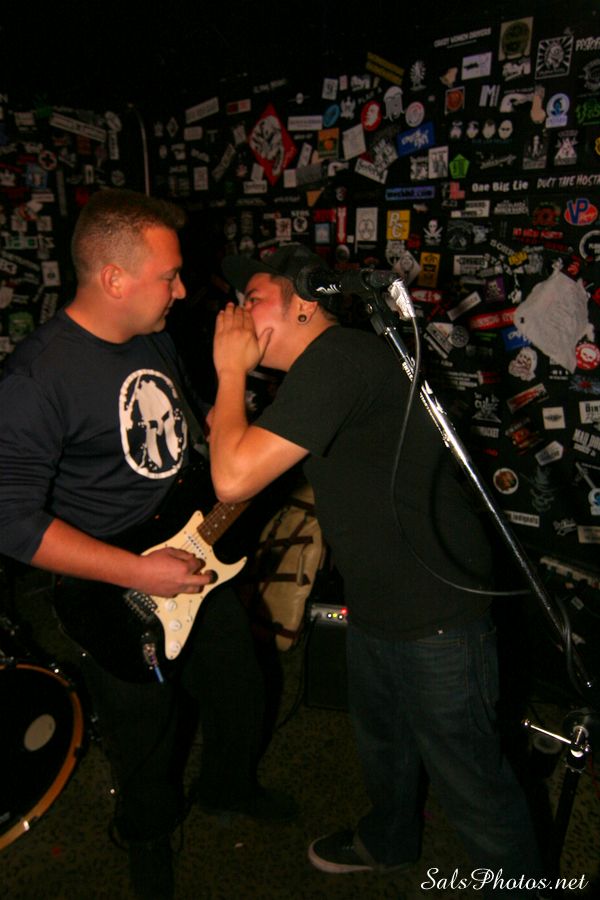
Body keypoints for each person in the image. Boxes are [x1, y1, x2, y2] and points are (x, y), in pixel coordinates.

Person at [209, 243, 544, 895]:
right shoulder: (325, 367)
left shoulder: (338, 357)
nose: (239, 313)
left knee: (473, 785)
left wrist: (228, 373)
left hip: (436, 613)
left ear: (305, 304)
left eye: (253, 298)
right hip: (380, 599)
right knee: (385, 751)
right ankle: (389, 841)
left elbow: (233, 477)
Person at [0, 189, 295, 900]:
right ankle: (146, 838)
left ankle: (228, 788)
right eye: (169, 275)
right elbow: (10, 522)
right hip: (113, 587)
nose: (182, 289)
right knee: (145, 735)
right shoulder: (36, 379)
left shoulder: (152, 333)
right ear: (113, 278)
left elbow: (183, 429)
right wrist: (138, 571)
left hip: (193, 556)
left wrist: (226, 422)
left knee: (239, 688)